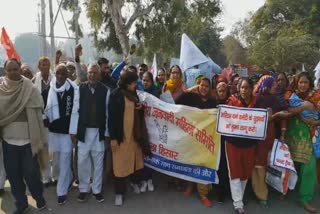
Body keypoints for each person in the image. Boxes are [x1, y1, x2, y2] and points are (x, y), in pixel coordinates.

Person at [0, 58, 47, 213]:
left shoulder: (30, 88)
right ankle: (21, 204)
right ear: (5, 71)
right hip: (9, 143)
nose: (13, 72)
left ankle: (39, 199)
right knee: (14, 177)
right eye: (9, 70)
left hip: (28, 142)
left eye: (15, 69)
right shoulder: (1, 90)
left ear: (20, 69)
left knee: (31, 176)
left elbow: (39, 109)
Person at [108, 70, 152, 206]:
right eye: (134, 83)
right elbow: (112, 119)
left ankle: (134, 182)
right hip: (121, 137)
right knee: (120, 166)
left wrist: (140, 108)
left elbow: (137, 110)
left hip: (134, 137)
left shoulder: (134, 94)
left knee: (134, 162)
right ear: (127, 83)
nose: (136, 85)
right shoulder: (116, 95)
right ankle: (119, 194)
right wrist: (114, 138)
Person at [175, 77, 216, 208]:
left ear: (210, 88)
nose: (203, 88)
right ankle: (191, 185)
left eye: (206, 86)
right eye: (201, 85)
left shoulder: (213, 101)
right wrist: (188, 90)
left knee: (204, 164)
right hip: (192, 136)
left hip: (207, 138)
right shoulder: (192, 97)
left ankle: (203, 194)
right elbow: (177, 102)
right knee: (191, 161)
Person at [285, 72, 320, 213]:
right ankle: (288, 189)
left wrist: (314, 121)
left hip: (309, 137)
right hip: (293, 136)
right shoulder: (291, 97)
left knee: (309, 166)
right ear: (297, 83)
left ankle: (305, 198)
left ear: (310, 83)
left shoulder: (316, 97)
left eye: (305, 82)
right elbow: (287, 112)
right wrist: (303, 107)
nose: (303, 85)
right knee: (293, 165)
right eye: (300, 82)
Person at [44, 64, 79, 205]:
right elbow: (42, 109)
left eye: (63, 73)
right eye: (58, 73)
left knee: (65, 161)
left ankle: (61, 192)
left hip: (67, 133)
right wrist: (44, 118)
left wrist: (74, 131)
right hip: (53, 131)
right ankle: (69, 178)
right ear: (55, 73)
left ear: (67, 75)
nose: (60, 76)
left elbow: (77, 112)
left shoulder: (74, 90)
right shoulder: (49, 89)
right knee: (57, 161)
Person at [252, 76, 289, 208]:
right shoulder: (257, 99)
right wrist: (275, 116)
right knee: (259, 165)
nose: (276, 87)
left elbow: (283, 114)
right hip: (258, 137)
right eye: (273, 85)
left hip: (270, 137)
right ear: (266, 86)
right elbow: (256, 118)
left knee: (265, 164)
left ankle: (260, 189)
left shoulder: (275, 100)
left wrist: (283, 132)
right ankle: (261, 194)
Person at [76, 63, 110, 203]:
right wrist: (73, 131)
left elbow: (108, 113)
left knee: (98, 162)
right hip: (84, 131)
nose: (92, 75)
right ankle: (84, 189)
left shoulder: (105, 90)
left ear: (99, 75)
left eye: (95, 73)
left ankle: (97, 190)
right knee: (82, 161)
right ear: (87, 73)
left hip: (99, 131)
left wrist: (107, 132)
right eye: (90, 72)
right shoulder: (80, 89)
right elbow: (75, 111)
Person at [225, 77, 258, 214]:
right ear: (238, 88)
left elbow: (260, 119)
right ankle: (238, 203)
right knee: (235, 173)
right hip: (233, 143)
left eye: (247, 87)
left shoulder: (257, 102)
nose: (244, 90)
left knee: (245, 172)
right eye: (242, 87)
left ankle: (240, 198)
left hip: (249, 144)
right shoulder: (231, 101)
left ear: (251, 89)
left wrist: (267, 113)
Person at [33, 57, 57, 187]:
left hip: (54, 119)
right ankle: (46, 178)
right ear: (39, 66)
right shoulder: (34, 81)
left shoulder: (55, 79)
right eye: (43, 64)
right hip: (40, 119)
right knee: (43, 150)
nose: (46, 66)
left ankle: (55, 176)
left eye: (48, 64)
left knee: (54, 149)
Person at [215, 81, 231, 203]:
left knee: (226, 166)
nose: (221, 93)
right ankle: (219, 192)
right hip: (215, 139)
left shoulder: (232, 104)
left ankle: (226, 191)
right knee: (218, 166)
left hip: (228, 140)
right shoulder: (212, 103)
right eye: (219, 90)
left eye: (223, 90)